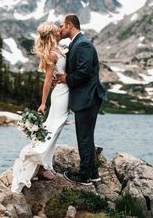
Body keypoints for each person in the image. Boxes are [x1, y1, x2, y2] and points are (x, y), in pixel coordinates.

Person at [11, 21, 69, 193]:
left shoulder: (59, 49)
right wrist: (43, 103)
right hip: (59, 94)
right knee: (53, 128)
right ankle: (40, 166)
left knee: (55, 129)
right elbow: (47, 80)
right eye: (56, 29)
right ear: (52, 34)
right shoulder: (51, 54)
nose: (60, 30)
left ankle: (46, 165)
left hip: (65, 92)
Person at [56, 14, 107, 185]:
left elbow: (83, 73)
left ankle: (84, 176)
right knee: (87, 136)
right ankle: (93, 173)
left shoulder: (83, 44)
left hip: (88, 97)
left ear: (70, 25)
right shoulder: (77, 43)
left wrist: (66, 79)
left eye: (62, 25)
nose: (60, 29)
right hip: (85, 97)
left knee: (84, 137)